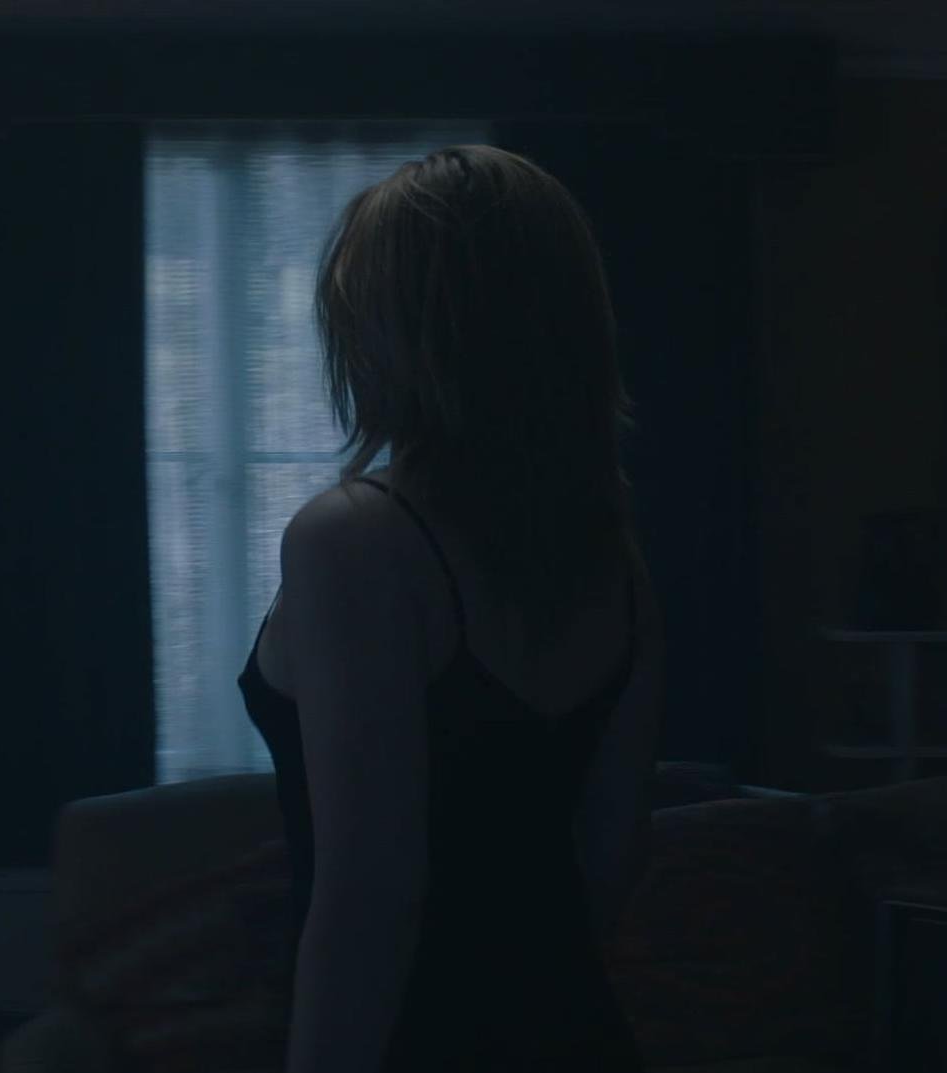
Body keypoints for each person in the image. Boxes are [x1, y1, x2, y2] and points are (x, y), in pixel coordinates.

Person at [237, 144, 665, 1073]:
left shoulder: (356, 538)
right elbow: (609, 853)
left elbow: (371, 897)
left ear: (385, 332)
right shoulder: (611, 554)